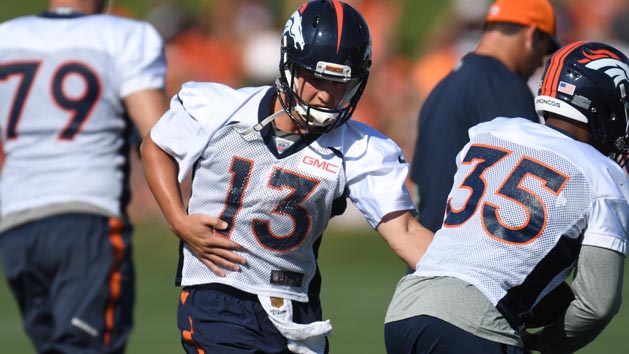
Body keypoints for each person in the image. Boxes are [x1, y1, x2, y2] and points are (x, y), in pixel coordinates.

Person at [140, 1, 433, 353]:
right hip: (219, 297)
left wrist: (470, 279)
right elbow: (156, 146)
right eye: (318, 78)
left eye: (341, 83)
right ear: (289, 64)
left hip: (299, 311)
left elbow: (404, 231)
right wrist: (177, 219)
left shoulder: (360, 147)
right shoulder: (221, 109)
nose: (327, 94)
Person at [384, 41, 629, 354]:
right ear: (603, 102)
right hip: (476, 324)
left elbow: (497, 253)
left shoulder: (492, 131)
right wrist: (543, 343)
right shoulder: (604, 174)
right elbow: (597, 304)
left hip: (405, 309)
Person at [0, 1, 168, 353]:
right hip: (87, 214)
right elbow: (160, 136)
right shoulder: (124, 35)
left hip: (16, 222)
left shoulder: (6, 37)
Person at [410, 0, 560, 235]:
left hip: (426, 251)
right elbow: (530, 191)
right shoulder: (502, 85)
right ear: (532, 36)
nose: (540, 61)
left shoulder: (446, 83)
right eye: (543, 50)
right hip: (468, 259)